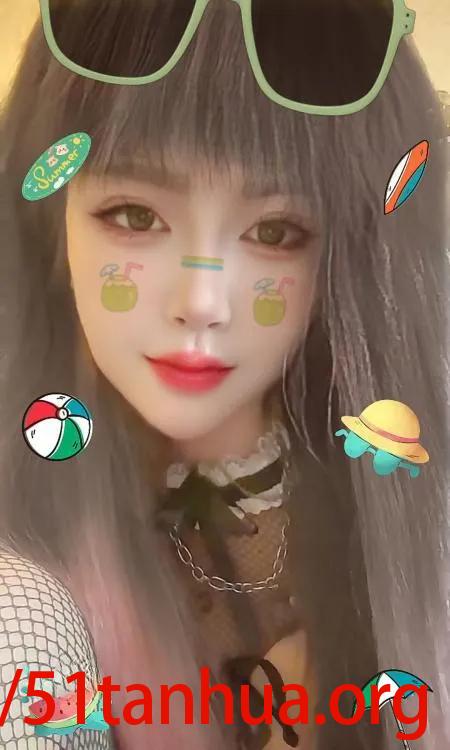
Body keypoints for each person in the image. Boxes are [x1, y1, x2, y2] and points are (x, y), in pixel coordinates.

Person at [0, 1, 448, 749]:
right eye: (134, 216)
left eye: (275, 231)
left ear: (346, 260)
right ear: (51, 225)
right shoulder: (27, 587)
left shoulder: (410, 518)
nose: (201, 302)